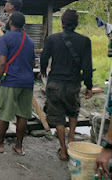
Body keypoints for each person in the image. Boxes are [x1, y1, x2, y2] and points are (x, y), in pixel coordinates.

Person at [40, 9, 93, 161]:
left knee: (57, 116)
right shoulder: (84, 41)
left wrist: (43, 71)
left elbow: (44, 57)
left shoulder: (52, 39)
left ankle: (63, 150)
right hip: (73, 85)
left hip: (55, 83)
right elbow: (87, 67)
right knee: (73, 110)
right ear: (76, 24)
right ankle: (72, 137)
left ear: (62, 23)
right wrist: (88, 86)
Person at [0, 12, 35, 156]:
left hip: (11, 81)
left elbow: (2, 62)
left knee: (4, 113)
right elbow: (32, 62)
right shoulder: (29, 40)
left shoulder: (6, 38)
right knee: (22, 115)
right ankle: (19, 147)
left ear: (11, 22)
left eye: (8, 19)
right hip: (27, 82)